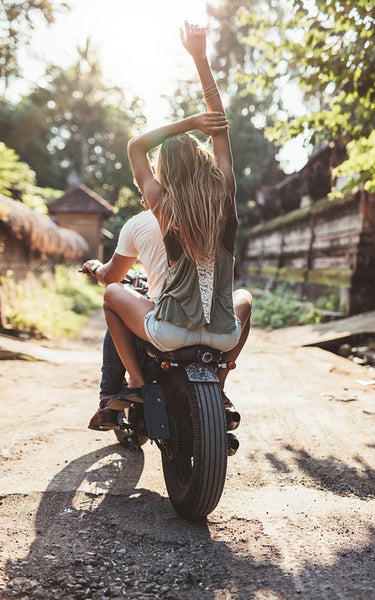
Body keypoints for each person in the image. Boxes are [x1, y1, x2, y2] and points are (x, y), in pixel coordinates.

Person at [94, 22, 252, 413]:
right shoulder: (225, 197)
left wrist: (186, 124)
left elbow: (136, 145)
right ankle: (220, 381)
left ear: (165, 171)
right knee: (244, 298)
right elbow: (220, 124)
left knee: (112, 294)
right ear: (205, 164)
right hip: (223, 335)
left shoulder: (163, 205)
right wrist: (200, 59)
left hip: (170, 333)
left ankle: (135, 380)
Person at [82, 204, 166, 430]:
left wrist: (96, 267)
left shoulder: (140, 222)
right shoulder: (208, 213)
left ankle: (115, 393)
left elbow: (111, 276)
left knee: (113, 298)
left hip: (166, 319)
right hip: (209, 317)